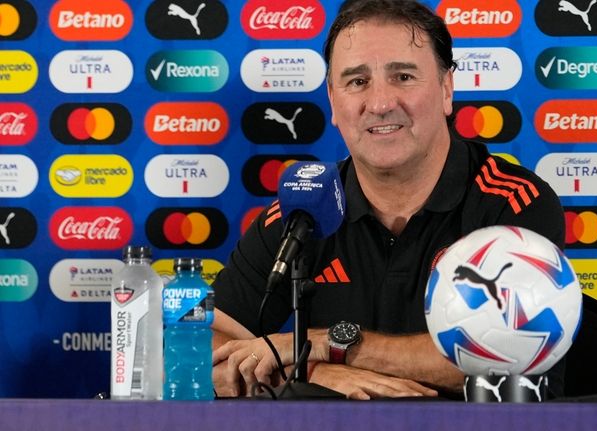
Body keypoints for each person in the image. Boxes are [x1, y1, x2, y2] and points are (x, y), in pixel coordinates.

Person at [211, 0, 565, 400]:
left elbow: (511, 356)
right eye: (357, 81)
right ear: (332, 100)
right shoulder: (302, 210)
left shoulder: (512, 204)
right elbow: (198, 347)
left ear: (447, 88)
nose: (380, 103)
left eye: (402, 76)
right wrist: (313, 373)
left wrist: (330, 343)